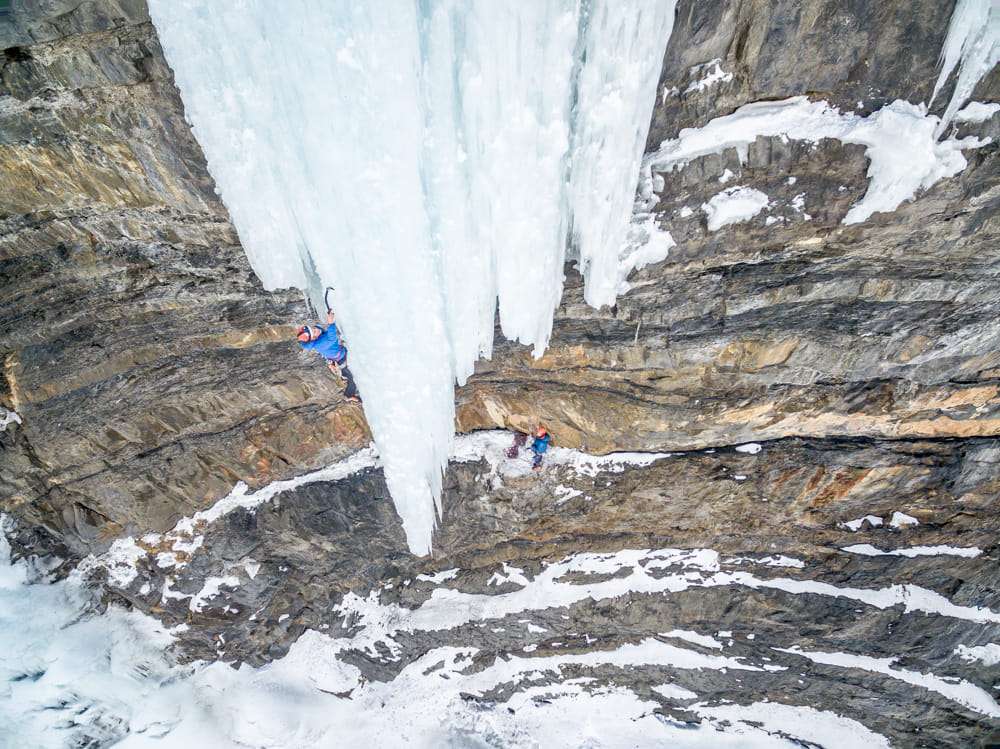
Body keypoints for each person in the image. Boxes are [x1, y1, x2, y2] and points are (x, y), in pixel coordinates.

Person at [297, 311, 361, 402]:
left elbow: (327, 348)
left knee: (350, 377)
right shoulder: (320, 343)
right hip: (342, 359)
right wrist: (331, 323)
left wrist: (330, 362)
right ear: (314, 338)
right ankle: (349, 395)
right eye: (314, 331)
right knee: (352, 378)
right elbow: (332, 338)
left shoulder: (318, 338)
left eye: (313, 328)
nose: (316, 329)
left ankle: (348, 393)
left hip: (337, 358)